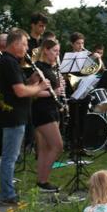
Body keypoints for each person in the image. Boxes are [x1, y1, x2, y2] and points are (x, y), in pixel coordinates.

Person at [0, 28, 51, 205]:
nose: (27, 48)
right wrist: (40, 87)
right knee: (10, 157)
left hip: (15, 113)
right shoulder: (9, 62)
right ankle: (7, 194)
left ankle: (8, 191)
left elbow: (20, 86)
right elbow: (19, 92)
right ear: (15, 44)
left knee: (11, 155)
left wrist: (32, 81)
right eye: (25, 44)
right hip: (13, 114)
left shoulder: (12, 62)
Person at [32, 37, 66, 192]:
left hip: (52, 109)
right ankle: (43, 181)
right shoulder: (38, 68)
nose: (57, 55)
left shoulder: (51, 68)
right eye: (54, 51)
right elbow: (34, 92)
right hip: (42, 110)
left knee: (45, 149)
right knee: (58, 146)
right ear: (45, 50)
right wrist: (55, 92)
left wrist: (60, 89)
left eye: (58, 51)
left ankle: (41, 181)